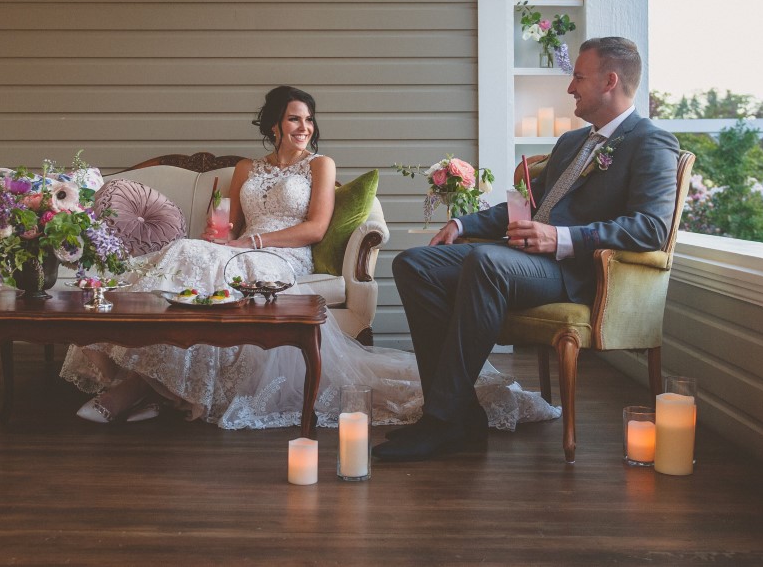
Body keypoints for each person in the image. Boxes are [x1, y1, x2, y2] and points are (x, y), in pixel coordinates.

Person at [60, 86, 560, 431]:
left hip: (285, 259)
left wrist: (250, 245)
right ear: (274, 124)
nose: (304, 126)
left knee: (216, 264)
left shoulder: (320, 165)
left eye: (308, 119)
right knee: (189, 252)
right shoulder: (243, 168)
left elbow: (316, 228)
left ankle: (138, 387)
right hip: (242, 247)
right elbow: (229, 229)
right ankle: (160, 388)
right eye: (294, 118)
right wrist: (222, 236)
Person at [376, 37, 679, 461]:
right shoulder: (572, 143)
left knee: (486, 260)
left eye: (578, 76)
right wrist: (462, 222)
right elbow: (525, 203)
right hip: (520, 260)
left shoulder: (652, 142)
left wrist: (563, 239)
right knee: (415, 264)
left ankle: (441, 421)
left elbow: (651, 227)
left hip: (577, 272)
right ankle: (462, 414)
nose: (570, 87)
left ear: (610, 81)